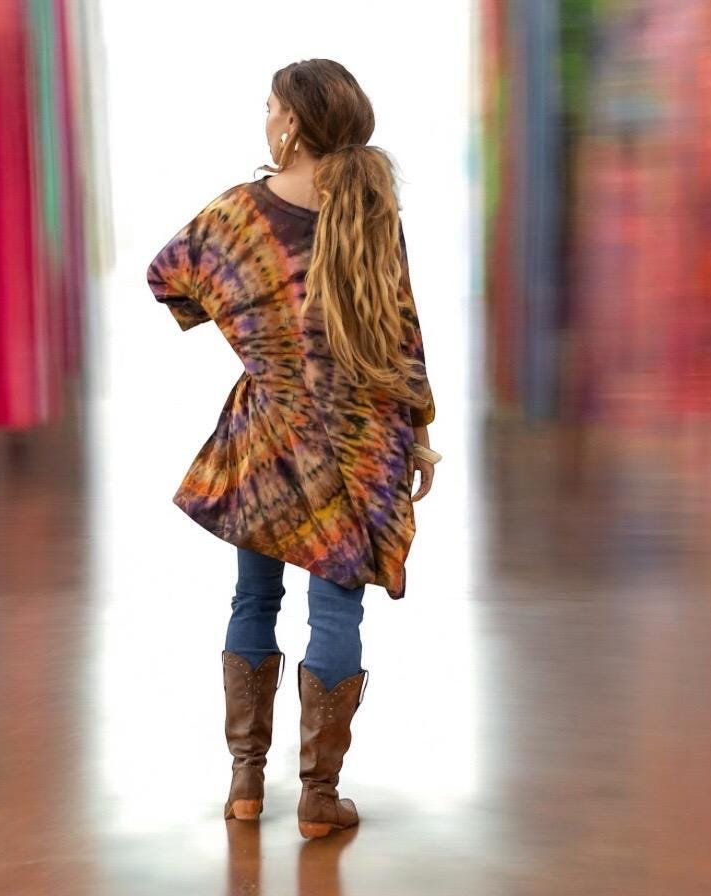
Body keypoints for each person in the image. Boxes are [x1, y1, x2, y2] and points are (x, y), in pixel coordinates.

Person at [146, 59, 442, 839]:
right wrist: (419, 432)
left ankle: (246, 784)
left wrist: (253, 333)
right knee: (337, 602)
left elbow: (167, 274)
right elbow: (401, 326)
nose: (265, 118)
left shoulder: (242, 212)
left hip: (268, 433)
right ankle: (319, 795)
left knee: (254, 598)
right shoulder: (372, 209)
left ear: (294, 124)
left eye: (271, 107)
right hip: (360, 435)